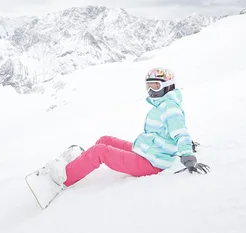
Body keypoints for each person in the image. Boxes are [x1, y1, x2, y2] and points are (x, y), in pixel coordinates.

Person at [47, 67, 210, 188]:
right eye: (149, 86)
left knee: (100, 151)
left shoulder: (170, 108)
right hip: (146, 151)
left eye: (156, 86)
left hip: (151, 162)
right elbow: (170, 131)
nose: (151, 91)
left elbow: (181, 133)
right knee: (105, 140)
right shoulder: (163, 104)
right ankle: (81, 163)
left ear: (168, 86)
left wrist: (188, 157)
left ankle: (65, 177)